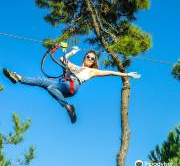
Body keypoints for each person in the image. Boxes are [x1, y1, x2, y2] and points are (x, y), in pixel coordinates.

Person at [3, 47, 141, 123]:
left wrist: (127, 74)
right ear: (85, 58)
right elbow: (63, 59)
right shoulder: (74, 67)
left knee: (50, 87)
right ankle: (18, 77)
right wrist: (72, 52)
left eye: (92, 58)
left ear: (94, 62)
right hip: (61, 84)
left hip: (73, 85)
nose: (90, 59)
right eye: (88, 57)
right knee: (43, 82)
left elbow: (110, 72)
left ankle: (67, 106)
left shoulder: (92, 71)